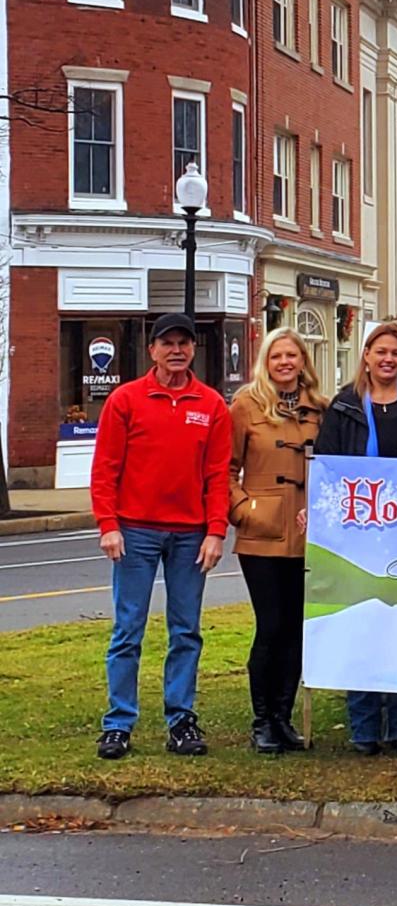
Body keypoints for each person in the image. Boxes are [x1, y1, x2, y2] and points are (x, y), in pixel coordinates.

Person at [90, 312, 230, 759]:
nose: (176, 350)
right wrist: (108, 525)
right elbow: (105, 468)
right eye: (167, 343)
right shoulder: (126, 400)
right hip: (135, 532)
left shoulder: (211, 406)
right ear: (152, 350)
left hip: (190, 536)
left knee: (186, 630)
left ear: (193, 350)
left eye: (183, 343)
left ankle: (181, 720)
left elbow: (217, 476)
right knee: (127, 630)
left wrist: (215, 532)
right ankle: (118, 722)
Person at [316, 319, 397, 755]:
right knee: (362, 622)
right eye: (380, 351)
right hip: (358, 532)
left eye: (395, 353)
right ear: (366, 356)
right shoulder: (345, 405)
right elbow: (326, 464)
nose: (388, 359)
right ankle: (363, 726)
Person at [229, 327, 326, 755]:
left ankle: (284, 718)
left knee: (297, 629)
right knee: (270, 626)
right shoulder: (246, 405)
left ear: (303, 360)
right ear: (265, 362)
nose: (285, 363)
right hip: (262, 533)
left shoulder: (320, 409)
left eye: (292, 355)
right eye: (277, 356)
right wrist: (244, 509)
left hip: (309, 533)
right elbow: (226, 468)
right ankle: (262, 719)